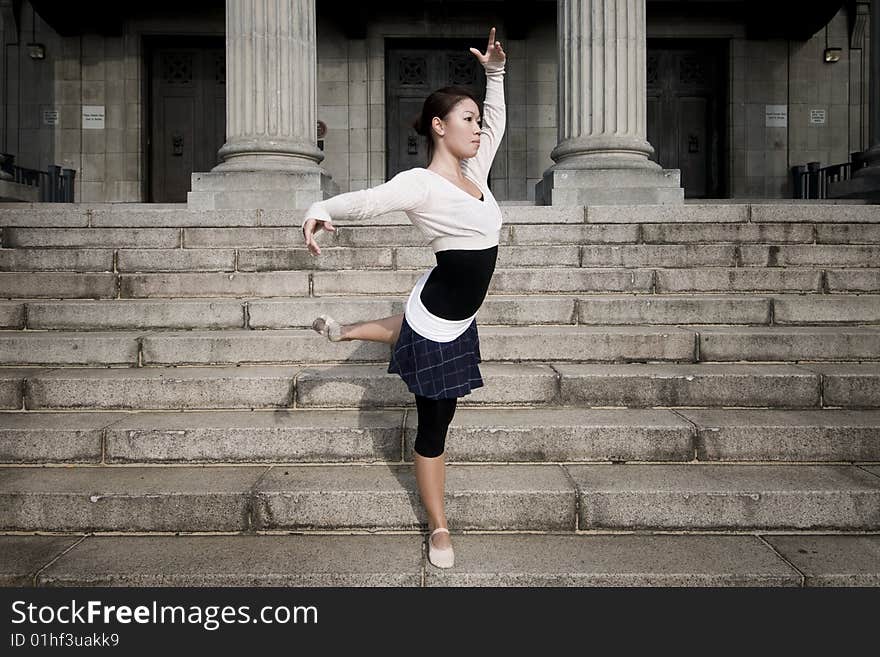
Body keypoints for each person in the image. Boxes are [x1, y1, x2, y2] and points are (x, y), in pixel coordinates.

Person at [301, 27, 506, 569]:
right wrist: (322, 209)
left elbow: (499, 123)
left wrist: (495, 75)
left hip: (454, 316)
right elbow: (371, 201)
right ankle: (439, 527)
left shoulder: (476, 172)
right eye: (468, 120)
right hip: (440, 311)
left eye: (477, 121)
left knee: (409, 328)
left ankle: (343, 331)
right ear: (439, 127)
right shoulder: (422, 182)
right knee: (434, 427)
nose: (478, 128)